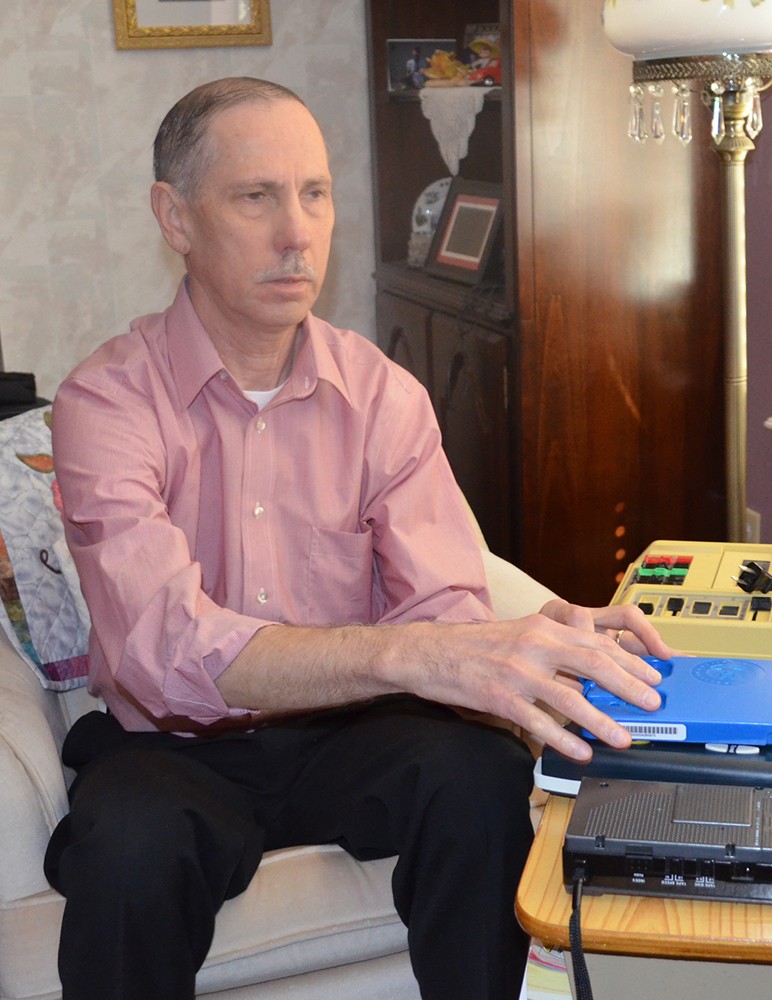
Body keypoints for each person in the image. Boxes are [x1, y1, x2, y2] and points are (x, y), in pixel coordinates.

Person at [41, 77, 672, 1000]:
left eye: (315, 194)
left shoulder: (382, 395)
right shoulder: (106, 402)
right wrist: (405, 653)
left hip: (354, 732)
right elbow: (165, 651)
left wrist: (526, 637)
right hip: (174, 748)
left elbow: (445, 607)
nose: (297, 232)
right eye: (256, 197)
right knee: (125, 850)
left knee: (483, 779)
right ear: (175, 218)